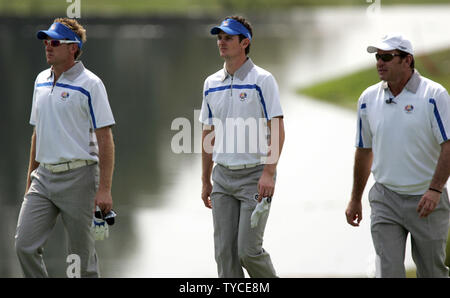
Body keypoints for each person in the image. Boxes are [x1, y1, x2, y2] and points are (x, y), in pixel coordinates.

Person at [14, 18, 115, 277]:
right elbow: (37, 133)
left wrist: (104, 188)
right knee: (24, 245)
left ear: (73, 48)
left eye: (55, 42)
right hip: (43, 179)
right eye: (46, 41)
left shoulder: (91, 84)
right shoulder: (40, 81)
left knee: (81, 261)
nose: (48, 46)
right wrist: (29, 182)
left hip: (79, 178)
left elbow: (105, 138)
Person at [345, 34, 450, 277]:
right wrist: (355, 198)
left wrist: (435, 190)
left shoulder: (434, 95)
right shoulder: (367, 99)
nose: (379, 62)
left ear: (407, 60)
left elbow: (448, 145)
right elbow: (363, 150)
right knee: (388, 272)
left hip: (426, 199)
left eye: (387, 57)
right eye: (377, 57)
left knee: (432, 272)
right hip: (385, 199)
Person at [199, 16, 285, 278]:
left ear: (244, 42)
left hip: (255, 177)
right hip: (222, 178)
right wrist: (205, 180)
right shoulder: (211, 83)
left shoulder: (263, 80)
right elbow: (208, 133)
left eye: (228, 38)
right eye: (219, 37)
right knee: (225, 256)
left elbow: (278, 128)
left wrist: (269, 172)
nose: (221, 42)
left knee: (247, 251)